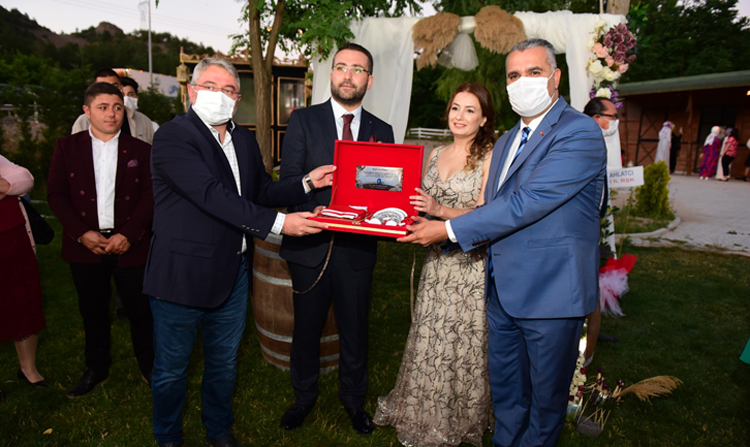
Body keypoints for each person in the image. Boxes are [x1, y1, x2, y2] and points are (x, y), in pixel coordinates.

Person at [399, 38, 607, 447]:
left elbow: (527, 202)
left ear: (555, 77)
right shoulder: (509, 139)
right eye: (514, 75)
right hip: (501, 291)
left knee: (544, 407)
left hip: (551, 294)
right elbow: (490, 207)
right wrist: (437, 225)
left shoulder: (579, 131)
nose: (522, 81)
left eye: (534, 72)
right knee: (508, 399)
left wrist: (446, 231)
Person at [142, 57, 335, 447]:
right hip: (181, 277)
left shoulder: (243, 140)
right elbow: (211, 195)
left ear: (237, 99)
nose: (221, 95)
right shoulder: (173, 137)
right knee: (171, 370)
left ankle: (218, 430)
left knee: (223, 364)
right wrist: (281, 224)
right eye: (211, 87)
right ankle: (168, 436)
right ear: (192, 91)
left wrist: (306, 183)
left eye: (229, 90)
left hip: (232, 274)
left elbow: (260, 191)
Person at [278, 42, 395, 435]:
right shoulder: (303, 120)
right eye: (342, 67)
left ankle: (354, 400)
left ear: (369, 80)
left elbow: (386, 192)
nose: (348, 75)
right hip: (310, 247)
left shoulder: (383, 130)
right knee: (306, 329)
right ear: (330, 74)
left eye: (358, 69)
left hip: (357, 250)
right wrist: (310, 188)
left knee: (355, 331)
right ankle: (303, 397)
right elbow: (287, 183)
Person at [373, 82, 496, 446]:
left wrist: (440, 211)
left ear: (484, 119)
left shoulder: (489, 156)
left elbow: (488, 215)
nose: (460, 116)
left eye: (470, 110)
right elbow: (413, 201)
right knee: (430, 335)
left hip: (468, 266)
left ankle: (460, 417)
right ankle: (421, 409)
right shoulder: (435, 152)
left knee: (460, 340)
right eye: (456, 108)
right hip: (435, 263)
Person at [47, 82, 155, 398]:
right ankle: (97, 367)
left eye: (117, 107)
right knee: (92, 311)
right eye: (103, 107)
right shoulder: (67, 147)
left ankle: (149, 365)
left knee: (141, 311)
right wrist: (81, 233)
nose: (111, 114)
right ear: (87, 111)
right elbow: (56, 194)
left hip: (130, 244)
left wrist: (129, 234)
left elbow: (150, 195)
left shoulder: (141, 150)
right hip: (86, 245)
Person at [0, 155, 47, 393]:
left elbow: (25, 178)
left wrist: (5, 185)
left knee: (24, 303)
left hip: (15, 243)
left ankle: (28, 369)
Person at [72, 68, 155, 144]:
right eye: (102, 87)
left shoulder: (143, 121)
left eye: (114, 86)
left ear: (121, 88)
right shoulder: (83, 122)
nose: (109, 91)